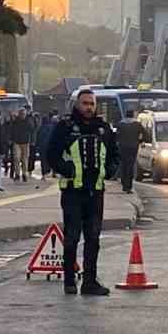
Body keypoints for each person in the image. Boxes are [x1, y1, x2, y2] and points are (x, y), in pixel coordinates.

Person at [44, 88, 119, 296]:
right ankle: (69, 281)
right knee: (72, 237)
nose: (88, 107)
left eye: (92, 104)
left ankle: (89, 282)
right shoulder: (65, 127)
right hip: (72, 192)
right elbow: (51, 153)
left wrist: (111, 170)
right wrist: (65, 168)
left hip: (95, 192)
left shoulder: (103, 128)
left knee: (93, 238)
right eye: (85, 103)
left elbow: (115, 154)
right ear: (78, 104)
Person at [115, 107, 143, 194]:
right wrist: (140, 141)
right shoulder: (137, 124)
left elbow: (115, 135)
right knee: (130, 166)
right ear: (133, 115)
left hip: (122, 147)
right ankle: (129, 187)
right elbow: (145, 134)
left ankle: (124, 185)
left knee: (123, 165)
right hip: (133, 148)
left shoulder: (120, 124)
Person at [9, 108, 34, 183]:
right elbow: (11, 130)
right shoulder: (15, 121)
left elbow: (33, 130)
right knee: (16, 158)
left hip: (26, 143)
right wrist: (10, 138)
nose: (22, 115)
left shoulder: (28, 121)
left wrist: (32, 141)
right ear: (19, 114)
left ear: (25, 114)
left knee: (25, 159)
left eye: (23, 114)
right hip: (16, 142)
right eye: (21, 114)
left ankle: (24, 174)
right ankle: (17, 174)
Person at [35, 112, 56, 179]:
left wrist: (37, 146)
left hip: (42, 147)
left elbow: (38, 138)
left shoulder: (40, 128)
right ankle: (53, 172)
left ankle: (44, 174)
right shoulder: (52, 127)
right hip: (51, 146)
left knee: (43, 161)